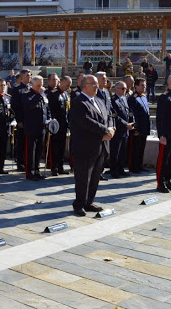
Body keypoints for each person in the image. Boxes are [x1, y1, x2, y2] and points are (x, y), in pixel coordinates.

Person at [70, 75, 114, 216]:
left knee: (95, 176)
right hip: (84, 146)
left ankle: (89, 202)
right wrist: (105, 130)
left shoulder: (99, 101)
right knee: (83, 177)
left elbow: (109, 116)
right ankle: (79, 204)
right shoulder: (78, 102)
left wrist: (111, 128)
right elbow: (85, 122)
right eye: (93, 84)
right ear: (85, 86)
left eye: (96, 84)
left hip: (100, 145)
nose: (97, 86)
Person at [23, 76, 48, 181]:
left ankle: (37, 171)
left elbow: (46, 108)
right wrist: (39, 95)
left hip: (41, 127)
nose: (41, 87)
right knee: (31, 151)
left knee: (39, 150)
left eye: (42, 84)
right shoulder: (27, 95)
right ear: (32, 84)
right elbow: (29, 105)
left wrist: (49, 119)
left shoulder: (42, 95)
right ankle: (30, 172)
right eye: (38, 85)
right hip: (31, 127)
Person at [47, 75, 71, 176]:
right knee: (55, 147)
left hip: (64, 125)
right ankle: (54, 167)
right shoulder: (53, 94)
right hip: (56, 125)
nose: (68, 87)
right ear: (61, 82)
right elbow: (51, 110)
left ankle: (60, 166)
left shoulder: (65, 94)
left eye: (70, 85)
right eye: (67, 84)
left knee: (61, 147)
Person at [110, 82, 134, 178]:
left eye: (125, 89)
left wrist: (132, 122)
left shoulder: (124, 99)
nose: (124, 90)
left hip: (125, 130)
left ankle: (120, 169)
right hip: (118, 129)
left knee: (123, 152)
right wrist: (125, 124)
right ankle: (114, 170)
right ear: (116, 89)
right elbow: (115, 116)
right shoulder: (113, 100)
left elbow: (128, 112)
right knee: (115, 151)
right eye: (122, 88)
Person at [127, 78, 150, 173]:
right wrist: (135, 129)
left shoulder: (144, 97)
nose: (144, 87)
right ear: (136, 86)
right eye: (142, 85)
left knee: (141, 148)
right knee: (135, 149)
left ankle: (140, 165)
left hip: (144, 127)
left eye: (145, 85)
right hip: (137, 128)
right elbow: (132, 115)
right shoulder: (133, 98)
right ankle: (133, 167)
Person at [12, 69, 32, 171]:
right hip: (22, 120)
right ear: (22, 77)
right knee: (21, 142)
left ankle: (28, 161)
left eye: (30, 75)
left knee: (29, 143)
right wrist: (19, 120)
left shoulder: (30, 88)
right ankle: (20, 163)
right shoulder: (17, 89)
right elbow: (15, 106)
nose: (29, 77)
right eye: (27, 75)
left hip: (30, 120)